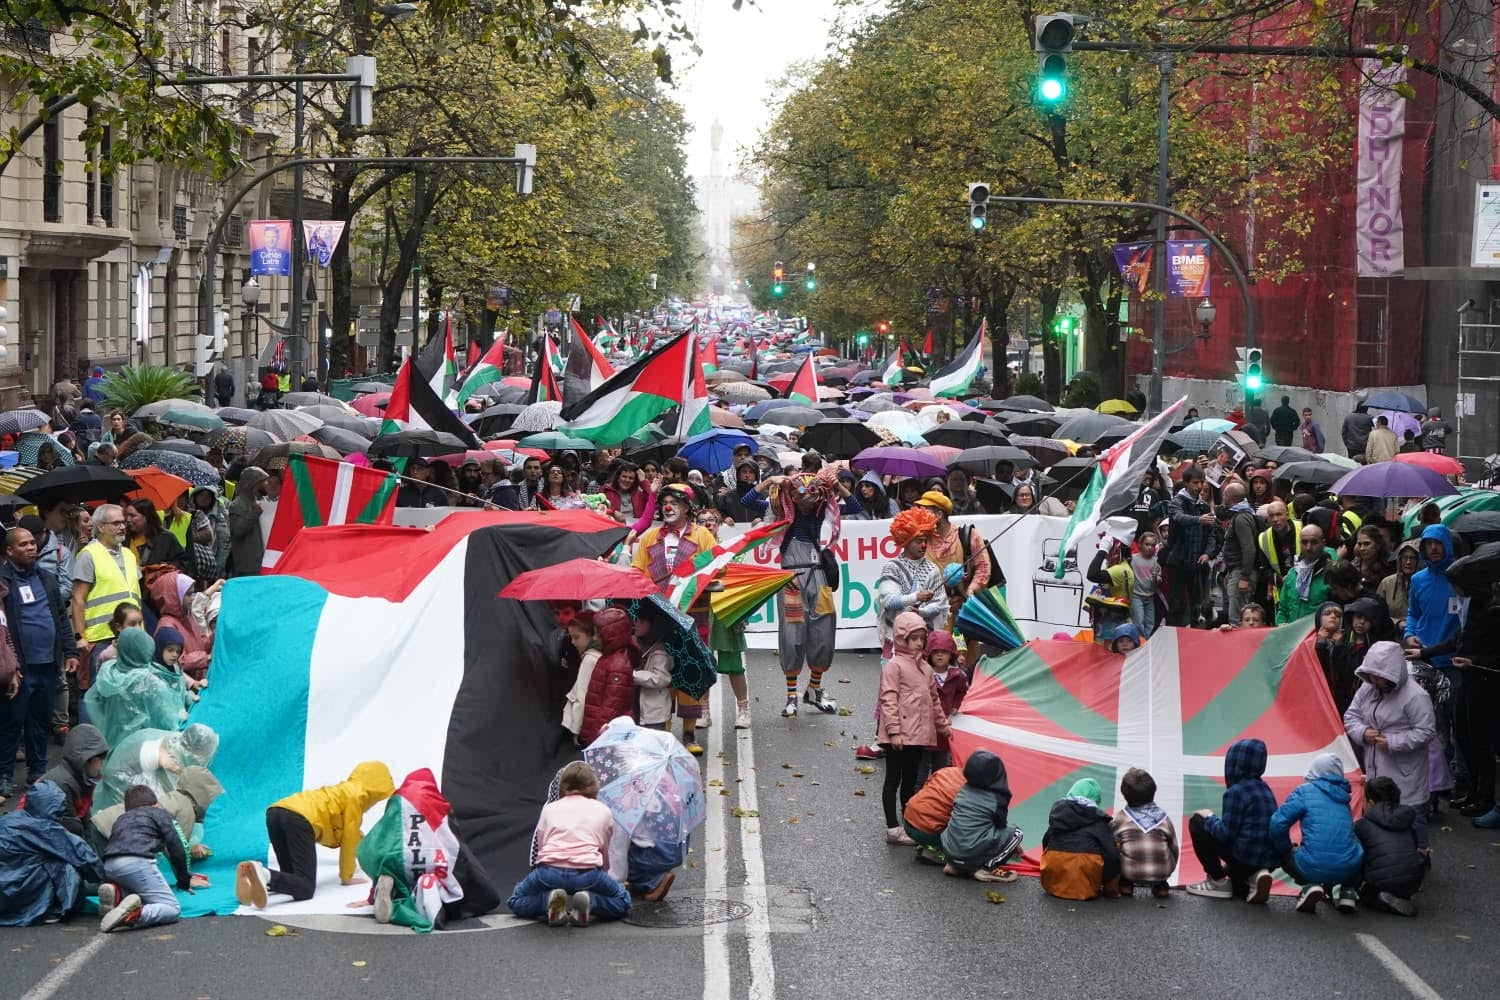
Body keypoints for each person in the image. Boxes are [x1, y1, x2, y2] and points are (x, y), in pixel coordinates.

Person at [352, 767, 499, 930]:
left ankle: (389, 887)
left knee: (390, 868)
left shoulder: (397, 800)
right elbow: (453, 841)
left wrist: (371, 893)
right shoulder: (437, 802)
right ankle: (428, 888)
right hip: (431, 863)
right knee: (448, 883)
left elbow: (383, 836)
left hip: (399, 862)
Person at [235, 761, 394, 907]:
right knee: (305, 888)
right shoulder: (356, 797)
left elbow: (340, 831)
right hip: (300, 819)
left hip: (275, 812)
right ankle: (264, 874)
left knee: (291, 880)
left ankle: (253, 879)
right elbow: (349, 838)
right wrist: (347, 876)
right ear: (374, 789)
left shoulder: (341, 791)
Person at [1, 526, 78, 796]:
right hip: (19, 668)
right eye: (23, 544)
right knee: (11, 723)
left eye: (32, 543)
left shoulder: (46, 578)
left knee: (40, 723)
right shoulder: (3, 581)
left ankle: (37, 772)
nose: (31, 547)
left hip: (48, 664)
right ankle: (4, 775)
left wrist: (70, 652)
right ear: (9, 551)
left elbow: (60, 617)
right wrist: (9, 665)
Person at [506, 761, 631, 927]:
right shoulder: (604, 811)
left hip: (549, 872)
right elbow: (604, 849)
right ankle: (590, 902)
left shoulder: (550, 808)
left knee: (516, 899)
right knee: (622, 900)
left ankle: (550, 902)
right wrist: (603, 873)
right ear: (594, 786)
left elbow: (541, 844)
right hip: (587, 873)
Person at [1344, 642, 1436, 852]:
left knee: (1412, 817)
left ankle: (1420, 856)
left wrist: (1393, 742)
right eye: (1371, 674)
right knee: (1377, 817)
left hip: (1406, 771)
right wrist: (1363, 732)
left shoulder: (1416, 696)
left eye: (1379, 675)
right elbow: (1351, 716)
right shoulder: (1368, 688)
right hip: (1375, 767)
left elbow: (1426, 731)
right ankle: (1384, 856)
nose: (1374, 680)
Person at [768, 472, 841, 718]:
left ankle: (815, 689)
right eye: (800, 494)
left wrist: (837, 484)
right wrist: (770, 482)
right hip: (791, 580)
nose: (806, 501)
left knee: (824, 631)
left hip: (819, 577)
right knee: (792, 633)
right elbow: (747, 501)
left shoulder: (823, 513)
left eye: (812, 494)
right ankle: (791, 696)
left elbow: (853, 505)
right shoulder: (782, 512)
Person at [876, 612, 949, 846]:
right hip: (897, 736)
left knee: (910, 781)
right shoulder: (894, 667)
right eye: (914, 638)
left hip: (917, 735)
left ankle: (908, 824)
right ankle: (892, 827)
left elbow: (934, 701)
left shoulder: (926, 669)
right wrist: (894, 731)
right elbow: (888, 699)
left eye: (921, 638)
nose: (919, 643)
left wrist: (942, 726)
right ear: (901, 639)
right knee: (893, 780)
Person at [1185, 738, 1280, 902]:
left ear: (1233, 763)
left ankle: (1217, 881)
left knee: (1197, 822)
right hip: (1268, 859)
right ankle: (1252, 878)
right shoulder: (1265, 789)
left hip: (1245, 857)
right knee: (1238, 890)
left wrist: (1208, 817)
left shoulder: (1236, 792)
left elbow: (1225, 835)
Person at [1268, 752, 1363, 913]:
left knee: (1284, 853)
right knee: (1355, 844)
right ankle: (1348, 892)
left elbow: (1277, 824)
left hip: (1310, 865)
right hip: (1349, 868)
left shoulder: (1305, 791)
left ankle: (1309, 885)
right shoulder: (1344, 797)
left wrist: (1285, 848)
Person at [0, 779, 102, 926]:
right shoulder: (45, 828)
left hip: (6, 888)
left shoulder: (9, 819)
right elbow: (84, 857)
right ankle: (54, 908)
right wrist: (104, 877)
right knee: (64, 867)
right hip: (15, 890)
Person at [97, 784, 194, 932]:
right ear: (155, 804)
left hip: (110, 865)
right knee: (171, 908)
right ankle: (136, 914)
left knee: (139, 893)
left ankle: (118, 893)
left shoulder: (122, 818)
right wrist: (184, 881)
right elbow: (177, 848)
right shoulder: (159, 813)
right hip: (136, 861)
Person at [82, 628, 182, 748]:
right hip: (147, 747)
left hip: (114, 744)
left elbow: (91, 700)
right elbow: (168, 720)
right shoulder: (148, 681)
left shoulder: (108, 672)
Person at [70, 505, 142, 673]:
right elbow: (78, 599)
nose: (122, 527)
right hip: (102, 637)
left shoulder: (128, 554)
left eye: (123, 522)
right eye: (116, 523)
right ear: (100, 527)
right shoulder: (88, 555)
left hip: (132, 633)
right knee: (101, 692)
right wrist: (80, 637)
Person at [938, 749, 1024, 881]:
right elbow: (1000, 825)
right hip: (970, 848)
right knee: (1017, 833)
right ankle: (986, 867)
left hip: (950, 849)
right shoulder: (997, 798)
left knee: (961, 827)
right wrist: (1012, 844)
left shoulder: (963, 789)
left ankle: (954, 864)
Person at [876, 509, 948, 653]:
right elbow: (889, 601)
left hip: (923, 642)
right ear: (906, 541)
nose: (923, 545)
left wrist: (921, 612)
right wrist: (916, 597)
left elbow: (940, 605)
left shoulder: (932, 569)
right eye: (919, 541)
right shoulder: (892, 567)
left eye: (925, 541)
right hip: (895, 639)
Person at [1354, 776, 1425, 917]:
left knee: (1364, 893)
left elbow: (1358, 856)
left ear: (1371, 802)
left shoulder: (1363, 825)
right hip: (1413, 880)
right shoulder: (1406, 820)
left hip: (1382, 880)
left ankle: (1381, 898)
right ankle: (1400, 895)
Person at [1040, 778, 1121, 900]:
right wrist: (1106, 879)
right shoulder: (1099, 820)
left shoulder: (1058, 814)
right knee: (1116, 846)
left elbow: (1046, 841)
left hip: (1051, 884)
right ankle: (1111, 891)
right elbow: (1112, 856)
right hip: (1086, 886)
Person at [574, 608, 638, 748]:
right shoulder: (609, 658)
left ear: (611, 635)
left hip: (608, 736)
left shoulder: (617, 665)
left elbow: (609, 708)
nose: (595, 638)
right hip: (604, 733)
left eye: (599, 634)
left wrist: (592, 737)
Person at [1164, 466, 1218, 628]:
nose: (1200, 486)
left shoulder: (1203, 506)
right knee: (1176, 606)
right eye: (1195, 482)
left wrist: (1208, 553)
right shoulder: (1177, 502)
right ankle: (1174, 640)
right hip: (1178, 562)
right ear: (1186, 483)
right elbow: (1178, 517)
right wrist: (1198, 520)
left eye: (1202, 482)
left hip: (1197, 564)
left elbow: (1212, 534)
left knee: (1198, 606)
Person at [1111, 767, 1177, 899]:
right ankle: (1161, 886)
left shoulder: (1120, 818)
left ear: (1123, 793)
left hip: (1129, 871)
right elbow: (1174, 848)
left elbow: (1111, 844)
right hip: (1161, 872)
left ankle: (1126, 885)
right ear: (1153, 791)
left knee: (1115, 846)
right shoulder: (1164, 818)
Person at [38, 724, 109, 838]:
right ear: (84, 760)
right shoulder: (61, 786)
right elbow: (70, 835)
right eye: (98, 760)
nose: (101, 766)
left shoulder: (82, 778)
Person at [1404, 524, 1459, 669]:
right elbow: (1413, 613)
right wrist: (1409, 634)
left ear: (1447, 544)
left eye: (1438, 543)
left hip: (1453, 658)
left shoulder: (1460, 576)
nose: (1433, 548)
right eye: (1429, 544)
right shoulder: (1417, 579)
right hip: (1422, 655)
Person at [902, 762, 967, 865]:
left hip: (908, 819)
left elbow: (926, 786)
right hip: (927, 829)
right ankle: (935, 851)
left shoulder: (946, 770)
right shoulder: (969, 790)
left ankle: (925, 844)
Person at [922, 630, 966, 778]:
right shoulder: (923, 673)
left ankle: (937, 797)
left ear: (951, 654)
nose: (940, 655)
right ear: (929, 654)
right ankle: (916, 799)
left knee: (941, 772)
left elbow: (962, 692)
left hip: (944, 731)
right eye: (936, 652)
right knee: (920, 774)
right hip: (924, 731)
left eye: (944, 652)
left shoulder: (958, 676)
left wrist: (955, 707)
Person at [631, 605, 677, 741]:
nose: (636, 624)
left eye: (642, 622)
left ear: (654, 626)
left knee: (653, 746)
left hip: (653, 713)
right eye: (636, 620)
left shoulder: (659, 652)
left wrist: (634, 675)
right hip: (636, 706)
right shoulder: (636, 645)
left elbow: (660, 678)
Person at [1275, 524, 1334, 625]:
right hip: (1292, 635)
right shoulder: (1293, 573)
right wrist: (1281, 625)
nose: (1308, 547)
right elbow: (1282, 609)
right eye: (1304, 542)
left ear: (1323, 543)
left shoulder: (1331, 574)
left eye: (1314, 542)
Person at [1220, 481, 1260, 624]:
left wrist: (1243, 577)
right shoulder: (1240, 515)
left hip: (1242, 574)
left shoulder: (1241, 518)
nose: (1222, 497)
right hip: (1235, 572)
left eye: (1224, 495)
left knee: (1238, 619)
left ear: (1229, 497)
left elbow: (1249, 549)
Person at [124, 498, 190, 575]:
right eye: (126, 515)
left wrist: (157, 568)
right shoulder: (123, 539)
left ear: (146, 517)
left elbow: (182, 564)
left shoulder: (166, 538)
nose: (128, 519)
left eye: (132, 516)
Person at [227, 467, 270, 577]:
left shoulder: (258, 501)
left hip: (260, 561)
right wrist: (253, 515)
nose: (264, 485)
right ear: (252, 483)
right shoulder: (237, 505)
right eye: (261, 482)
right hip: (247, 565)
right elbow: (237, 531)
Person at [1128, 530, 1163, 637]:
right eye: (1147, 544)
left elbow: (1159, 579)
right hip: (1136, 595)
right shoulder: (1133, 559)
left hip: (1150, 596)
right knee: (1138, 621)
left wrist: (1156, 578)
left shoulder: (1155, 561)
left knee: (1150, 622)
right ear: (1140, 544)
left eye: (1152, 545)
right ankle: (1139, 642)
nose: (1150, 547)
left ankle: (1145, 643)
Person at [1379, 540, 1421, 629]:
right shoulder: (1387, 583)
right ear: (1399, 560)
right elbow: (1378, 612)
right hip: (1392, 635)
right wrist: (1397, 623)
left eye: (1412, 558)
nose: (1408, 562)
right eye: (1405, 558)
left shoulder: (1424, 583)